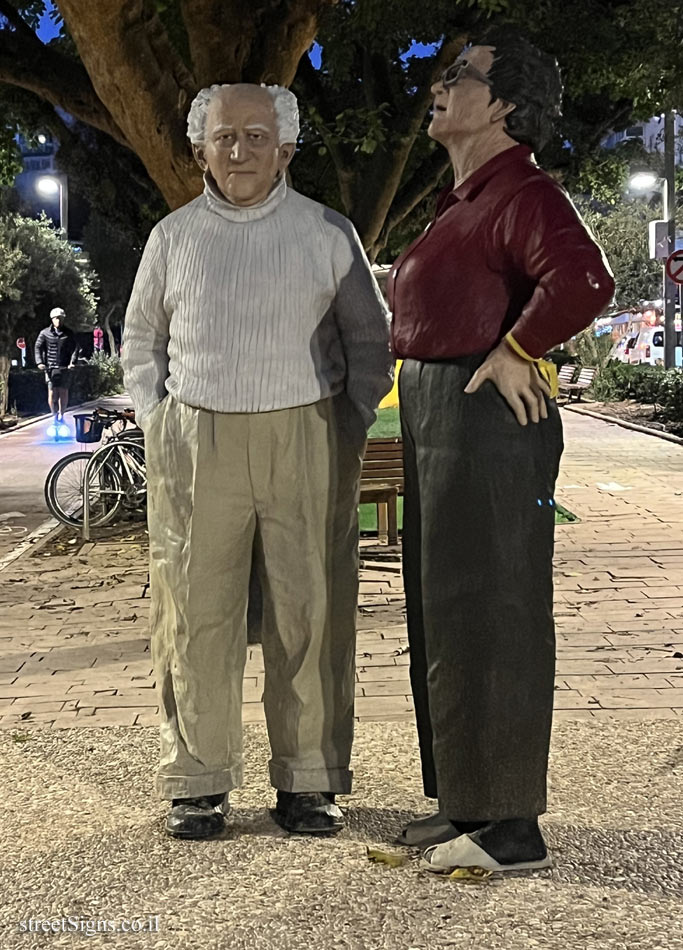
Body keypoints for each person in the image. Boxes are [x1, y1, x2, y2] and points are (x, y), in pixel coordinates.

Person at [122, 83, 393, 840]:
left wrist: (342, 422)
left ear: (286, 149)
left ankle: (308, 780)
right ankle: (197, 781)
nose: (237, 150)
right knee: (192, 612)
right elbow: (141, 340)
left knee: (309, 609)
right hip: (196, 438)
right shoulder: (172, 238)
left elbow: (368, 343)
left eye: (254, 136)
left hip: (302, 432)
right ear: (199, 148)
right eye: (222, 137)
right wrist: (159, 415)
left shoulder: (326, 232)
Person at [388, 28, 615, 873]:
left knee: (496, 609)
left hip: (481, 417)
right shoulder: (465, 200)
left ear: (505, 103)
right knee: (445, 607)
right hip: (439, 408)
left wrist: (517, 349)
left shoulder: (521, 192)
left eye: (460, 76)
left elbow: (585, 278)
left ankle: (510, 825)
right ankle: (465, 803)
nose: (439, 86)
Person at [34, 307, 77, 425]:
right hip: (50, 368)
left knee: (63, 392)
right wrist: (40, 363)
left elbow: (75, 349)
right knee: (52, 393)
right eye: (56, 318)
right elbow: (38, 347)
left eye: (61, 318)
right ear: (52, 319)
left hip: (64, 367)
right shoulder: (44, 333)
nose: (59, 321)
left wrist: (72, 362)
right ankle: (54, 416)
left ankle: (62, 415)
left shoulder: (69, 333)